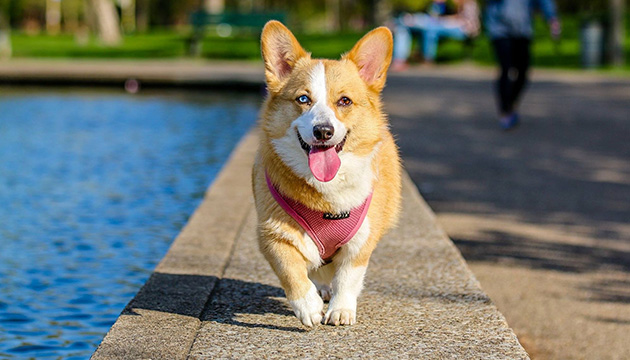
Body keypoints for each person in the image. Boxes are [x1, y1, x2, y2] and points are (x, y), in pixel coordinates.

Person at [485, 0, 561, 130]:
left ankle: (511, 103)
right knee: (506, 68)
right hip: (500, 28)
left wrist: (552, 18)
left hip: (523, 29)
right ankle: (505, 110)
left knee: (523, 71)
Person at [392, 0, 480, 70]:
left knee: (431, 29)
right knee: (407, 28)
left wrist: (443, 20)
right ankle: (401, 60)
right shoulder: (450, 4)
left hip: (465, 30)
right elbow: (433, 14)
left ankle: (426, 58)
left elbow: (464, 22)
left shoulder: (469, 3)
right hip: (446, 25)